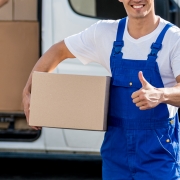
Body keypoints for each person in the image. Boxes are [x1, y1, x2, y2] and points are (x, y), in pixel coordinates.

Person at [23, 0, 180, 179]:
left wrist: (160, 94)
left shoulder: (173, 38)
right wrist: (29, 91)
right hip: (116, 153)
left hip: (157, 153)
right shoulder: (105, 33)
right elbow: (59, 51)